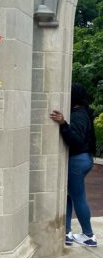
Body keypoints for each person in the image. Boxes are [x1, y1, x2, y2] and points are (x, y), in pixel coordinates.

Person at [50, 82, 97, 247]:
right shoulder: (81, 112)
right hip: (82, 159)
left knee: (78, 197)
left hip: (78, 160)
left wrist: (63, 124)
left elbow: (75, 141)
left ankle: (89, 235)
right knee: (68, 196)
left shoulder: (78, 115)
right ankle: (67, 232)